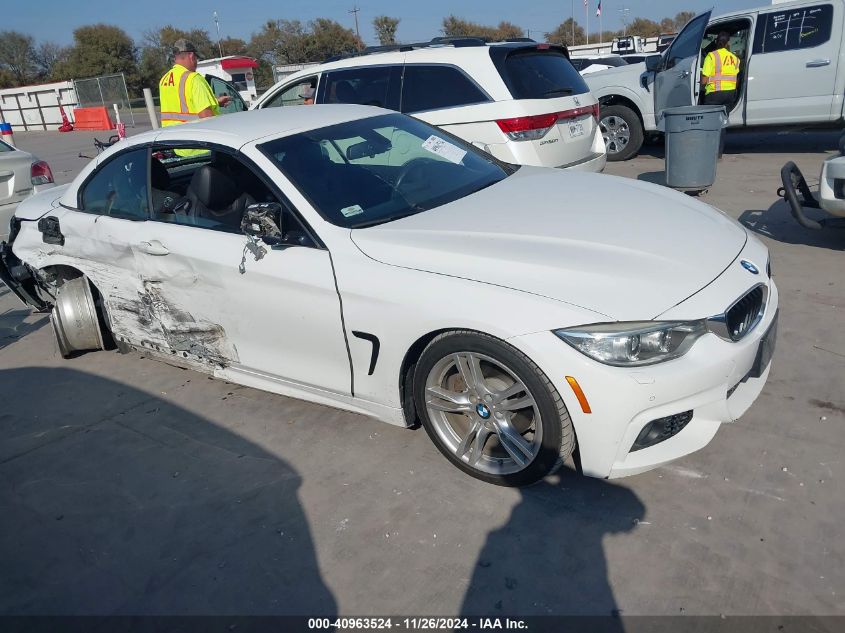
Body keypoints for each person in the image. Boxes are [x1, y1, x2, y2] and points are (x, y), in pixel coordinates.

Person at [159, 39, 230, 128]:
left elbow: (181, 106)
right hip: (193, 135)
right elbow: (207, 118)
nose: (196, 62)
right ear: (192, 56)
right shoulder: (194, 78)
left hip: (170, 137)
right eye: (196, 58)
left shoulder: (164, 79)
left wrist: (216, 102)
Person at [700, 32, 740, 108]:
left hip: (714, 94)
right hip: (730, 94)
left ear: (716, 42)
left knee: (711, 118)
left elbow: (704, 81)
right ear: (728, 43)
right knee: (724, 117)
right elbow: (737, 79)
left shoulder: (711, 56)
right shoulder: (735, 58)